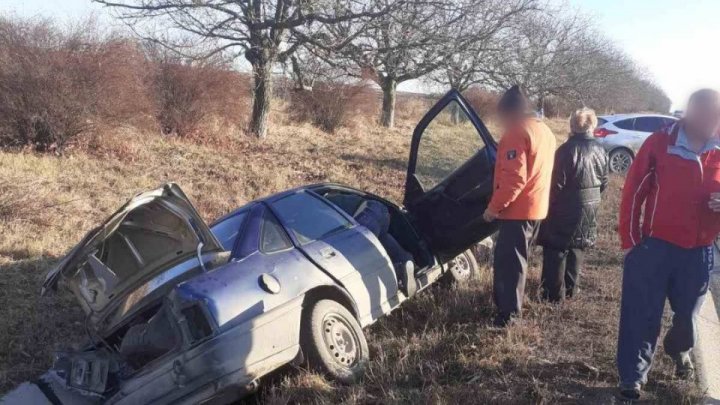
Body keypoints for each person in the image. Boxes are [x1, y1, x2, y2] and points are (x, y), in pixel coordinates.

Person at [616, 89, 720, 401]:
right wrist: (631, 242)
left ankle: (679, 350)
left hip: (699, 252)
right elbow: (634, 192)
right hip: (655, 248)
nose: (712, 123)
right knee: (641, 314)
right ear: (692, 114)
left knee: (687, 316)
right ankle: (632, 377)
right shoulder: (660, 143)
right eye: (708, 116)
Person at [482, 85, 557, 327]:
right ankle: (511, 308)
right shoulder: (544, 130)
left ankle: (509, 317)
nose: (502, 122)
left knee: (509, 265)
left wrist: (494, 207)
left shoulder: (516, 133)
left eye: (502, 116)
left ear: (511, 112)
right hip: (537, 208)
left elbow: (514, 179)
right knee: (519, 262)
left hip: (518, 211)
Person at [538, 108, 609, 302]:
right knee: (578, 248)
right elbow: (604, 182)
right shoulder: (601, 150)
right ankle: (571, 291)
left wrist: (547, 208)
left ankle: (552, 296)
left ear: (571, 126)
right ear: (592, 126)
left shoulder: (564, 151)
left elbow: (556, 186)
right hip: (590, 206)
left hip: (565, 208)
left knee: (556, 250)